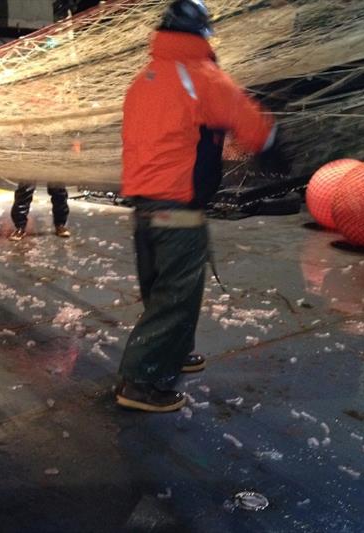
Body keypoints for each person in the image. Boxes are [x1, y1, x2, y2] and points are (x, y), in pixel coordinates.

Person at [115, 0, 287, 412]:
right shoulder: (202, 77)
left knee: (162, 287)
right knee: (177, 293)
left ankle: (171, 352)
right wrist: (278, 148)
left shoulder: (145, 78)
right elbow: (254, 127)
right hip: (177, 204)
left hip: (144, 205)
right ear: (202, 36)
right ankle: (139, 383)